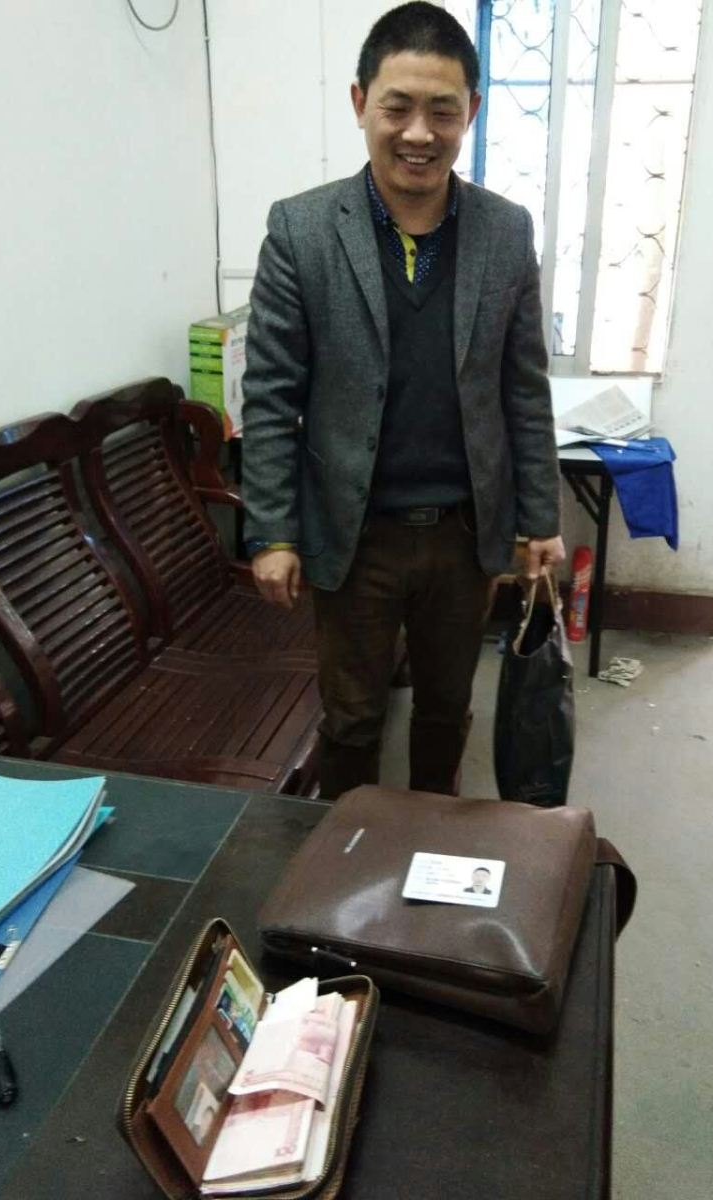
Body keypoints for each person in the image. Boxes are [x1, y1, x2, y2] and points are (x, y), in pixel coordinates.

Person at [241, 2, 564, 800]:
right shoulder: (302, 230)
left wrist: (540, 518)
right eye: (398, 107)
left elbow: (523, 388)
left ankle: (430, 839)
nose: (419, 133)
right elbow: (272, 393)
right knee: (352, 719)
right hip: (354, 536)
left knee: (446, 711)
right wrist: (272, 530)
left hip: (464, 535)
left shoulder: (505, 231)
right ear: (361, 103)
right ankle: (349, 844)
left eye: (442, 111)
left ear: (471, 112)